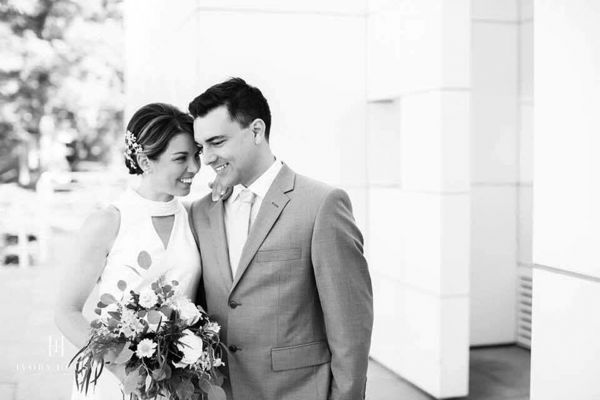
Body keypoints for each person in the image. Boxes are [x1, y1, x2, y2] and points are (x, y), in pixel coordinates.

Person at [188, 78, 373, 400]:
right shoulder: (201, 212)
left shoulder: (322, 204)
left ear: (256, 131)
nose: (207, 158)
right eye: (201, 146)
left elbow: (350, 327)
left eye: (216, 142)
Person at [54, 103, 202, 399]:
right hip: (116, 382)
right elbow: (66, 312)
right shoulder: (108, 221)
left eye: (196, 155)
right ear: (145, 161)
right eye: (181, 158)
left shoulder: (195, 217)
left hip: (175, 383)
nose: (195, 167)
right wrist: (125, 372)